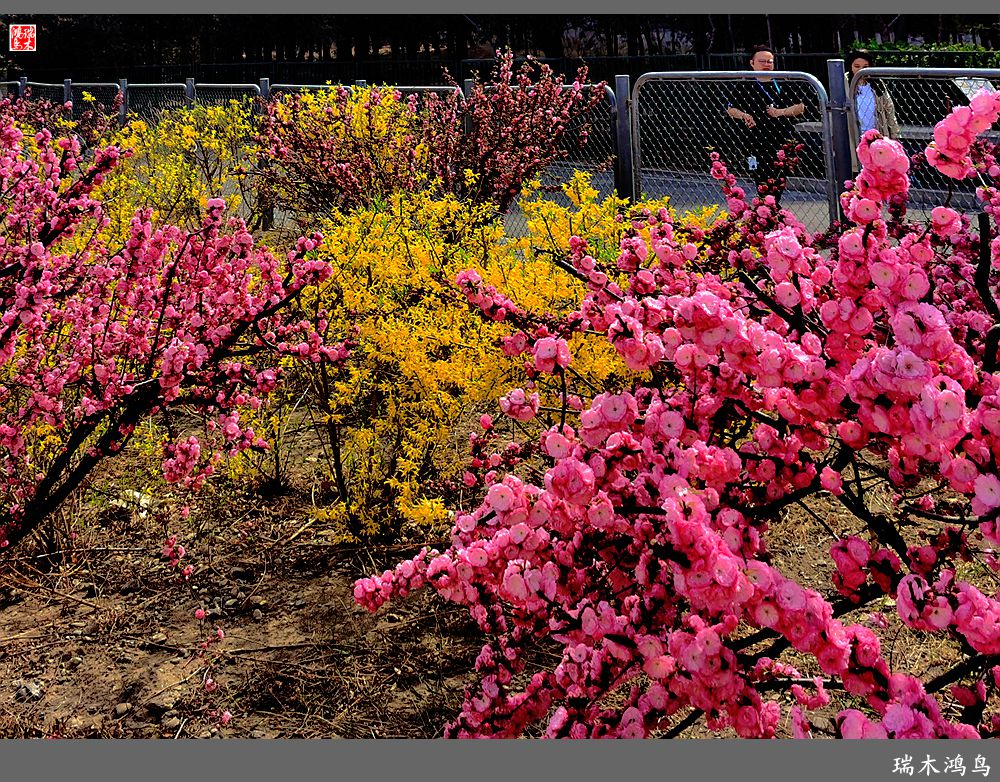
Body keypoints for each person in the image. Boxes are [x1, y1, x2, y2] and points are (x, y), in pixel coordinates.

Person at [726, 44, 807, 200]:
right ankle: (766, 206)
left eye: (769, 61)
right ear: (752, 63)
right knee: (761, 178)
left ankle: (772, 206)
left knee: (779, 178)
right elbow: (730, 109)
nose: (766, 65)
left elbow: (800, 107)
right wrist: (744, 115)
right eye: (762, 61)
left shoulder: (783, 81)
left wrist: (780, 112)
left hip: (781, 139)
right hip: (755, 141)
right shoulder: (745, 84)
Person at [845, 50, 900, 172]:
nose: (861, 70)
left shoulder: (877, 83)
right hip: (854, 134)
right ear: (850, 66)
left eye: (865, 67)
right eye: (857, 66)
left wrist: (895, 134)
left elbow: (889, 108)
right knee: (858, 169)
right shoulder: (844, 83)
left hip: (877, 133)